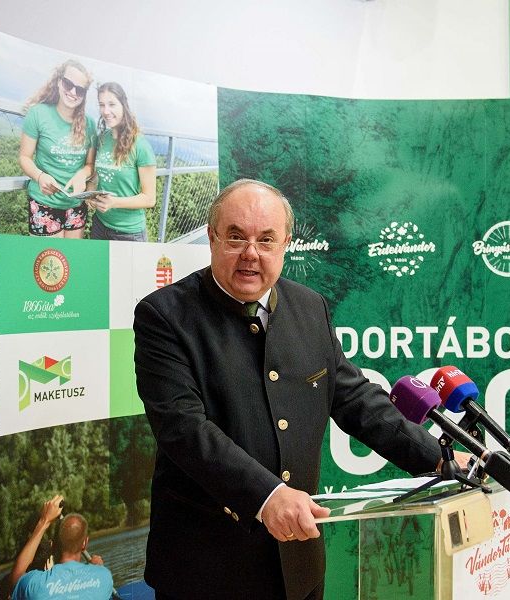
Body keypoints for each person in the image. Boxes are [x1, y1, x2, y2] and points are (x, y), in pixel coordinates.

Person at [133, 179, 467, 600]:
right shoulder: (163, 316)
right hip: (206, 571)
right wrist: (267, 495)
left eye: (266, 239)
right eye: (236, 237)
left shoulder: (310, 306)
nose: (251, 253)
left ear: (286, 244)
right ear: (212, 237)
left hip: (299, 566)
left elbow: (355, 399)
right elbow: (183, 429)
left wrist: (439, 458)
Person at [18, 59, 96, 239]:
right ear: (59, 81)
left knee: (71, 256)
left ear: (84, 94)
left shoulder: (90, 124)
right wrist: (40, 176)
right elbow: (24, 157)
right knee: (49, 257)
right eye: (68, 84)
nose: (73, 92)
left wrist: (82, 175)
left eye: (80, 89)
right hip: (44, 203)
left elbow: (90, 165)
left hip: (76, 205)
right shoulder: (38, 114)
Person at [87, 82, 157, 241]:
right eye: (102, 105)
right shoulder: (102, 139)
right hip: (100, 224)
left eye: (112, 104)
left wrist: (114, 202)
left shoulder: (140, 146)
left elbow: (149, 198)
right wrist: (91, 189)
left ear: (124, 105)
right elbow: (98, 173)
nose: (106, 111)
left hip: (128, 233)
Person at [9, 495, 114, 600]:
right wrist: (96, 568)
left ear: (53, 544)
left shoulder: (36, 586)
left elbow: (17, 577)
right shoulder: (104, 577)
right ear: (84, 543)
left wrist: (45, 521)